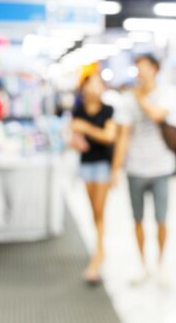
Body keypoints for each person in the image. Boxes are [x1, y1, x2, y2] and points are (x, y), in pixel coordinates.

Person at [112, 54, 176, 287]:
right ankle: (142, 265)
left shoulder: (167, 94)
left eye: (144, 67)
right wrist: (116, 169)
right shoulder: (126, 100)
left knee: (161, 219)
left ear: (155, 69)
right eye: (137, 68)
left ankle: (161, 265)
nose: (140, 72)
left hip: (161, 167)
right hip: (135, 168)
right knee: (137, 220)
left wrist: (140, 97)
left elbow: (157, 115)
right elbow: (123, 136)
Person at [71, 73, 117, 285]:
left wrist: (86, 129)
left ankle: (98, 253)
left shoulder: (108, 110)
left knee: (100, 209)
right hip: (86, 164)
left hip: (102, 165)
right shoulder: (78, 110)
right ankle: (100, 248)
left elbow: (109, 137)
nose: (95, 87)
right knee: (93, 210)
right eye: (92, 84)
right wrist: (78, 138)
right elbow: (74, 135)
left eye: (99, 83)